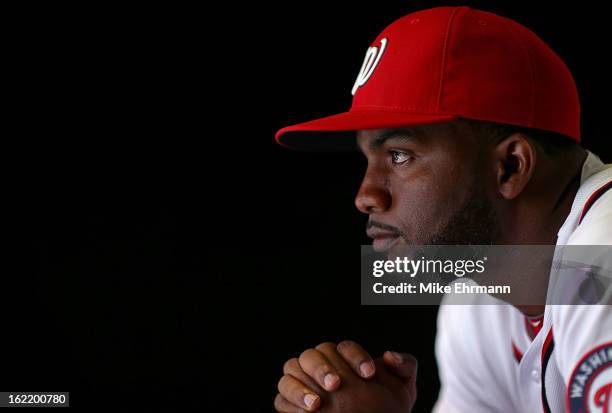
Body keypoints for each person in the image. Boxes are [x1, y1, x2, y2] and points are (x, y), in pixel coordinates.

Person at [273, 6, 612, 413]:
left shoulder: (602, 261)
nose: (366, 196)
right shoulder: (478, 303)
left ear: (511, 166)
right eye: (368, 160)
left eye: (399, 155)